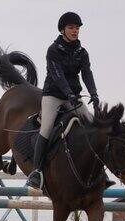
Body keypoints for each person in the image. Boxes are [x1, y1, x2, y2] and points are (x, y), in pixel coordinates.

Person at [26, 11, 100, 190]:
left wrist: (94, 94)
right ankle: (36, 172)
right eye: (71, 28)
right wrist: (69, 94)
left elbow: (87, 74)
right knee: (46, 127)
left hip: (73, 96)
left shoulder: (82, 52)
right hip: (53, 95)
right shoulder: (53, 51)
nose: (75, 31)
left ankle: (98, 170)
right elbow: (57, 75)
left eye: (77, 28)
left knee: (91, 124)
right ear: (62, 30)